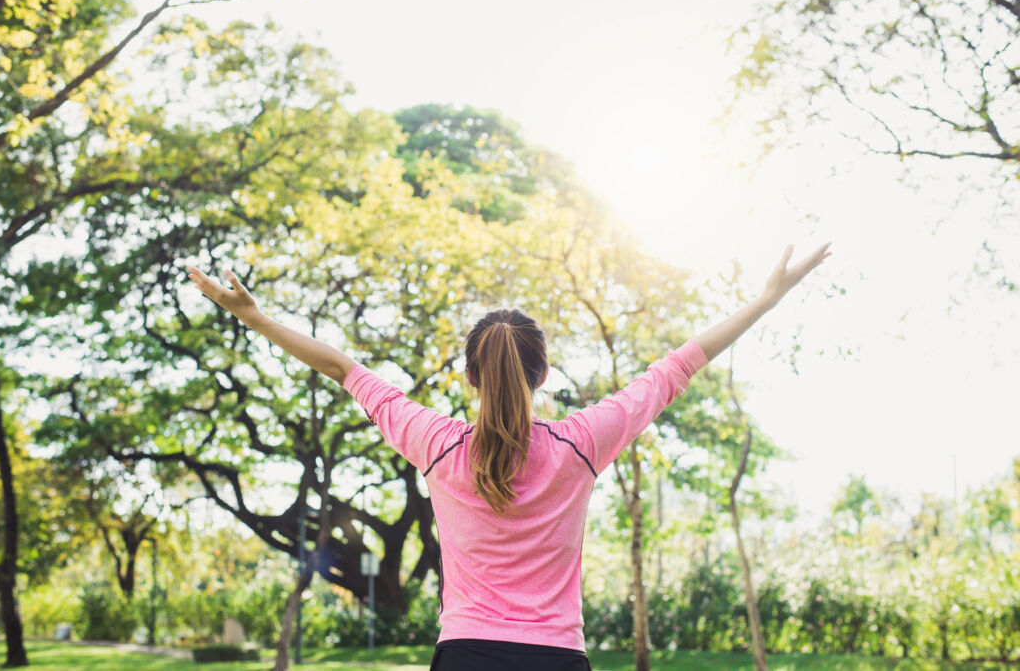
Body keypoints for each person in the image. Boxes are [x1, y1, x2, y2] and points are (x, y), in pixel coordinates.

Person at [187, 242, 831, 671]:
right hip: (556, 658)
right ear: (542, 375)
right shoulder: (582, 443)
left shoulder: (437, 446)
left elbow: (342, 367)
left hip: (465, 653)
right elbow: (677, 367)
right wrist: (765, 300)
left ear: (471, 377)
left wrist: (258, 317)